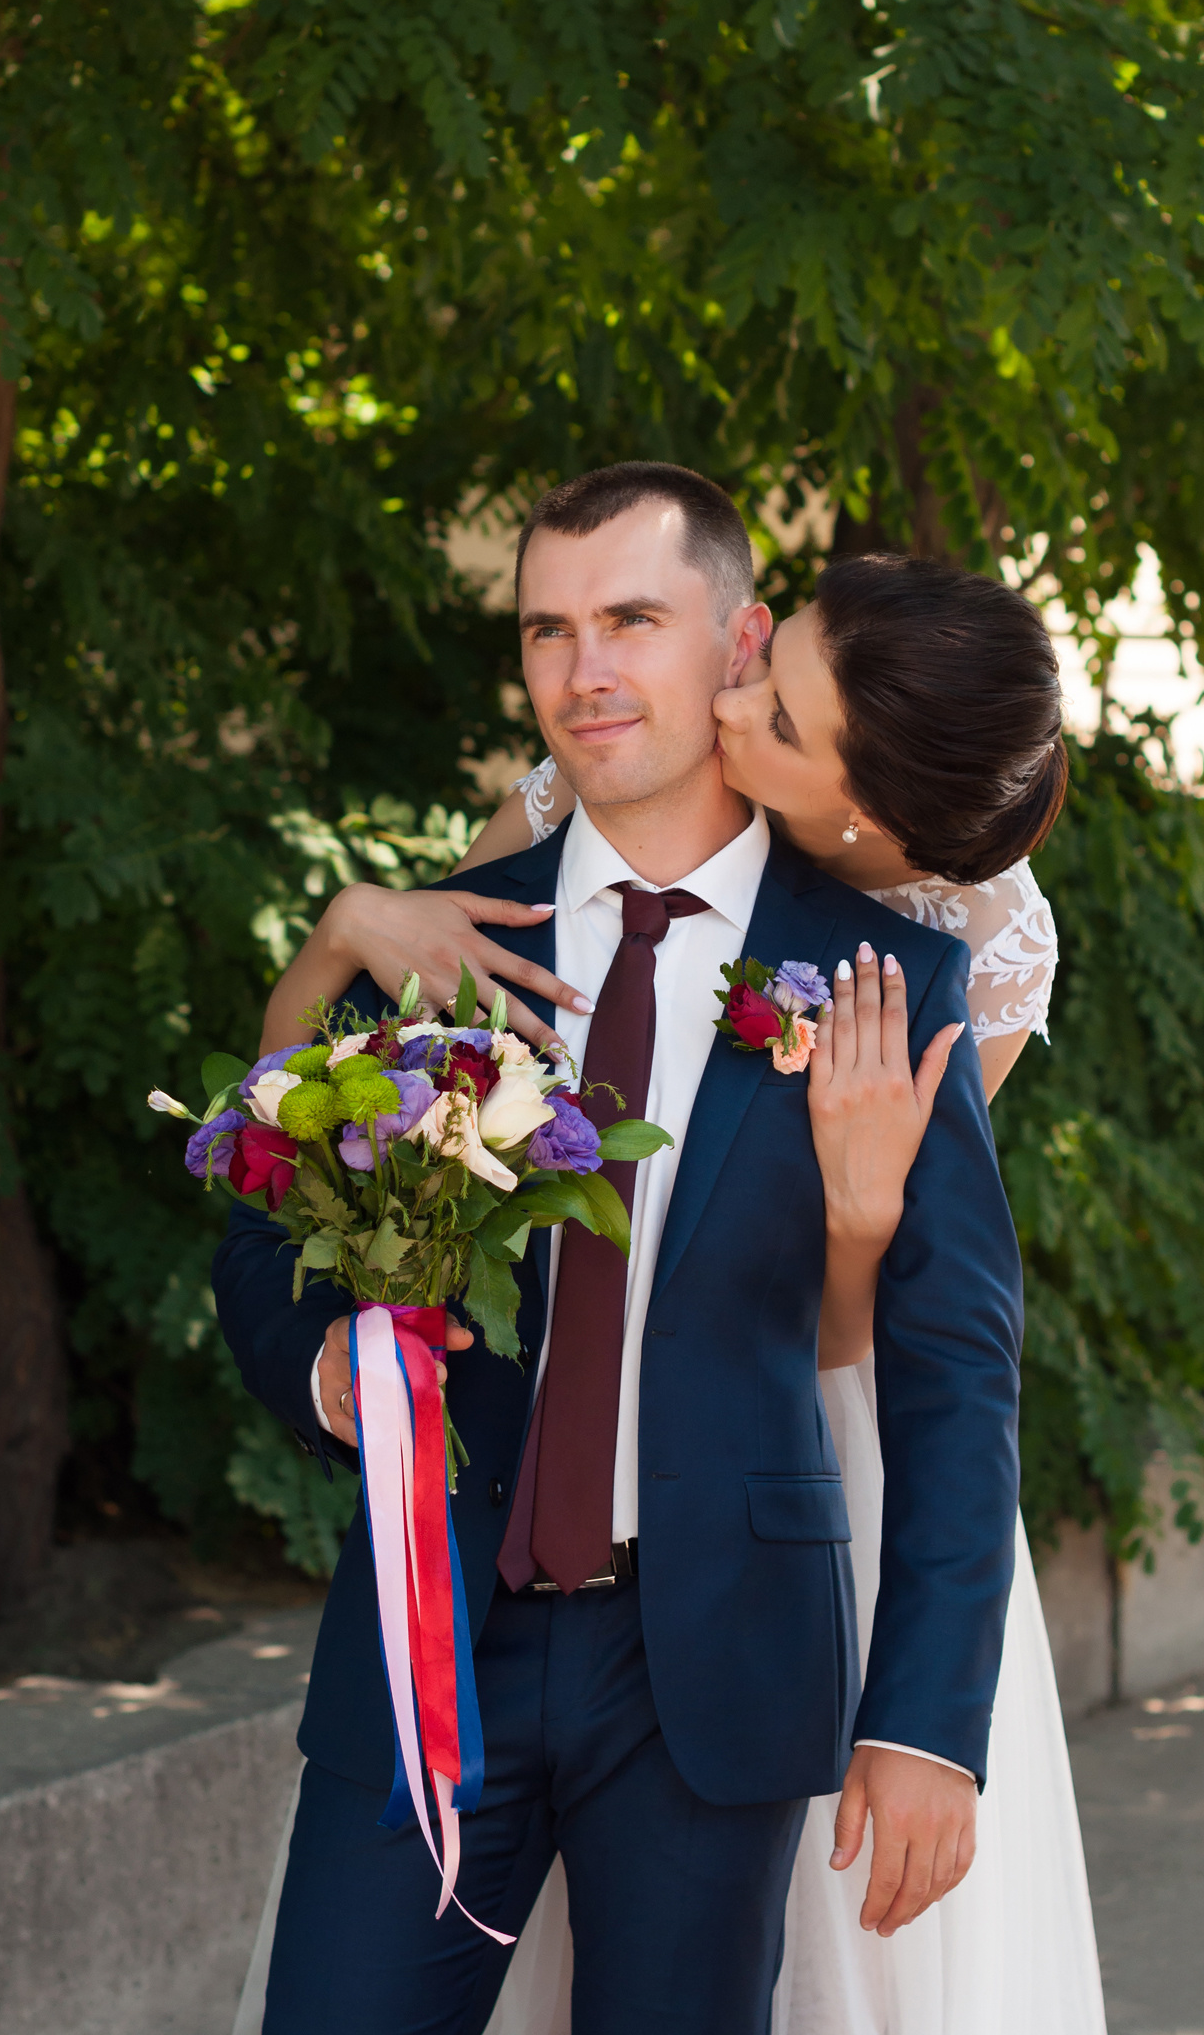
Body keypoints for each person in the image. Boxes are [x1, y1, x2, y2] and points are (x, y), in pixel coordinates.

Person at [213, 462, 1082, 2035]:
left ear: (736, 644)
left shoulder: (884, 983)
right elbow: (265, 1217)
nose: (585, 670)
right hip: (430, 1661)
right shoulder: (450, 936)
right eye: (548, 629)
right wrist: (336, 1364)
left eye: (630, 619)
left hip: (715, 1676)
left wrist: (930, 1727)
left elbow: (954, 1374)